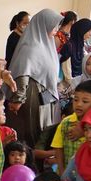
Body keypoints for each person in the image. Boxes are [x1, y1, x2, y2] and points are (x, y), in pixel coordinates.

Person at [6, 9, 63, 147]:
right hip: (31, 95)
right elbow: (22, 73)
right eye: (53, 25)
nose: (56, 29)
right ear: (43, 25)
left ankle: (37, 163)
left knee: (42, 133)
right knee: (31, 132)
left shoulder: (47, 44)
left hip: (44, 96)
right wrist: (18, 98)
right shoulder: (31, 46)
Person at [51, 79, 91, 172]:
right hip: (69, 174)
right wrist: (61, 170)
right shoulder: (66, 122)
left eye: (85, 101)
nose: (79, 104)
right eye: (75, 100)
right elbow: (58, 148)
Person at [59, 18, 91, 94]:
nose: (90, 34)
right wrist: (77, 87)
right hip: (65, 88)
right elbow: (67, 74)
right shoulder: (69, 46)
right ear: (82, 30)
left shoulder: (81, 46)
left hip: (76, 85)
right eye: (89, 31)